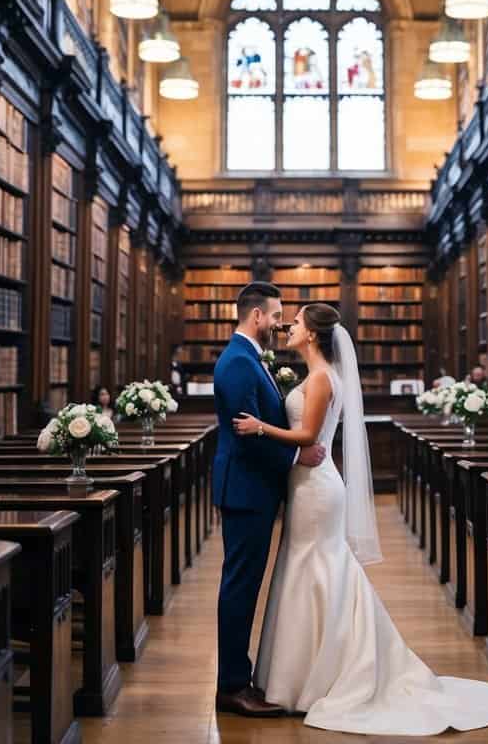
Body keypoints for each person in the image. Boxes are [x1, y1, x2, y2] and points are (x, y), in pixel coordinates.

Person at [232, 302, 488, 734]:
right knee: (306, 570)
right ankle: (302, 674)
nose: (288, 327)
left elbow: (310, 437)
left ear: (312, 334)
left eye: (294, 322)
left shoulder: (320, 380)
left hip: (316, 488)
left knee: (316, 570)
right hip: (307, 486)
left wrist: (260, 427)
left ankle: (319, 676)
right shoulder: (317, 376)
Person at [213, 282, 326, 718]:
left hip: (252, 487)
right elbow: (247, 434)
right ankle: (232, 686)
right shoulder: (239, 361)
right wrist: (296, 452)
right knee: (240, 587)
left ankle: (237, 680)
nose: (279, 324)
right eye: (277, 315)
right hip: (245, 488)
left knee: (243, 585)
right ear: (256, 315)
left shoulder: (247, 358)